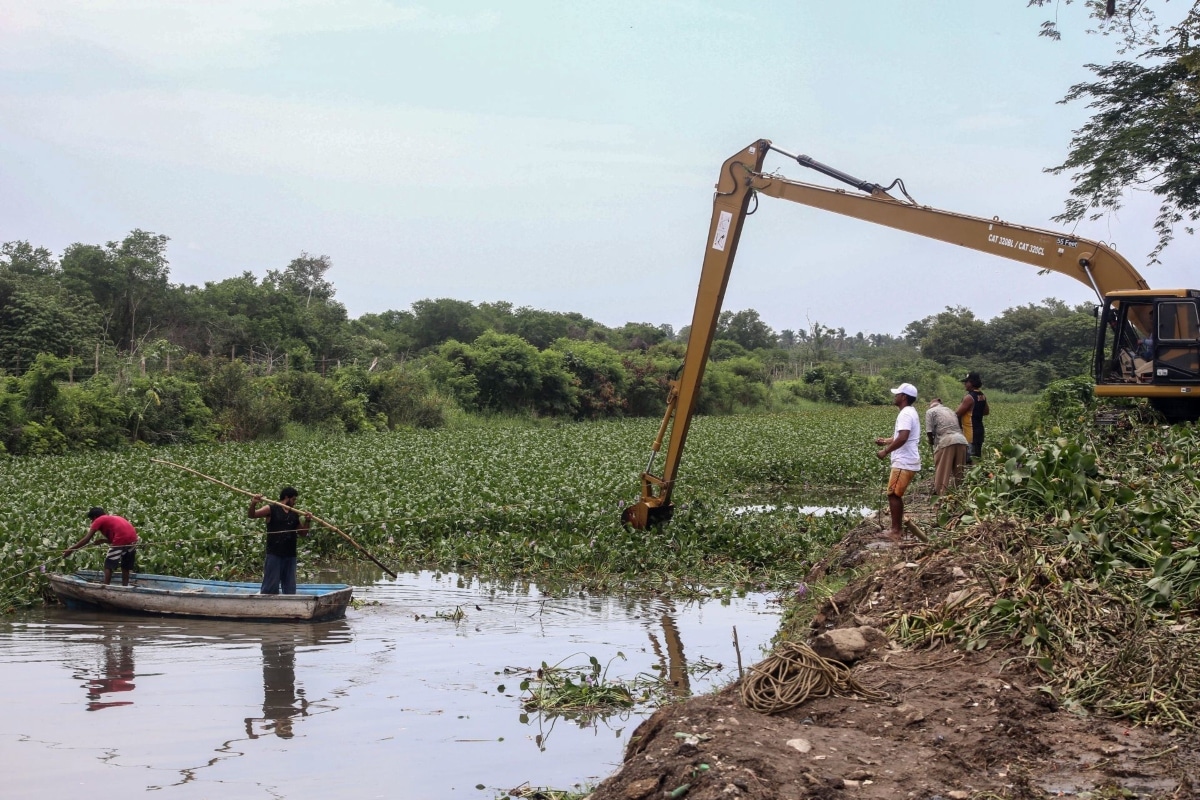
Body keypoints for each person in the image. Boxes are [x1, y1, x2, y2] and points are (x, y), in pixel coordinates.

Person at [874, 383, 921, 542]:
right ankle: (897, 529)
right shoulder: (910, 412)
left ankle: (896, 531)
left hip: (904, 461)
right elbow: (899, 436)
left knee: (893, 494)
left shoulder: (905, 414)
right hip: (906, 460)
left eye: (897, 394)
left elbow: (903, 438)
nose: (895, 396)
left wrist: (885, 451)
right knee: (894, 494)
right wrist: (886, 441)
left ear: (904, 397)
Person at [249, 487, 312, 595]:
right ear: (286, 497)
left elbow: (303, 533)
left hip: (290, 554)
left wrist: (307, 520)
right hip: (274, 553)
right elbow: (252, 515)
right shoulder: (271, 508)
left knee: (290, 587)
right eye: (293, 499)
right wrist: (254, 503)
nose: (294, 502)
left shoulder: (294, 514)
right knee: (270, 585)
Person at [64, 507, 140, 586]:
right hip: (133, 539)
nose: (92, 522)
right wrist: (103, 541)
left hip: (121, 539)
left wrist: (71, 549)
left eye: (92, 520)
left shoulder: (98, 520)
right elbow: (120, 537)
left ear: (94, 517)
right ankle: (125, 586)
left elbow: (86, 539)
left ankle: (105, 586)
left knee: (108, 564)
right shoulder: (113, 518)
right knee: (125, 566)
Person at [925, 398, 969, 495]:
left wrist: (931, 442)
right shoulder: (950, 410)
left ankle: (940, 496)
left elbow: (929, 432)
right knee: (959, 473)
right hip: (962, 440)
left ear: (931, 404)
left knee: (942, 472)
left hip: (947, 441)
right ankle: (960, 496)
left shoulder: (930, 412)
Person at [955, 372, 989, 460]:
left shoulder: (969, 397)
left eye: (966, 382)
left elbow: (957, 414)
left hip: (970, 433)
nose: (965, 384)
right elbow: (986, 412)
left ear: (972, 383)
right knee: (977, 458)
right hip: (979, 431)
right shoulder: (982, 396)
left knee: (969, 461)